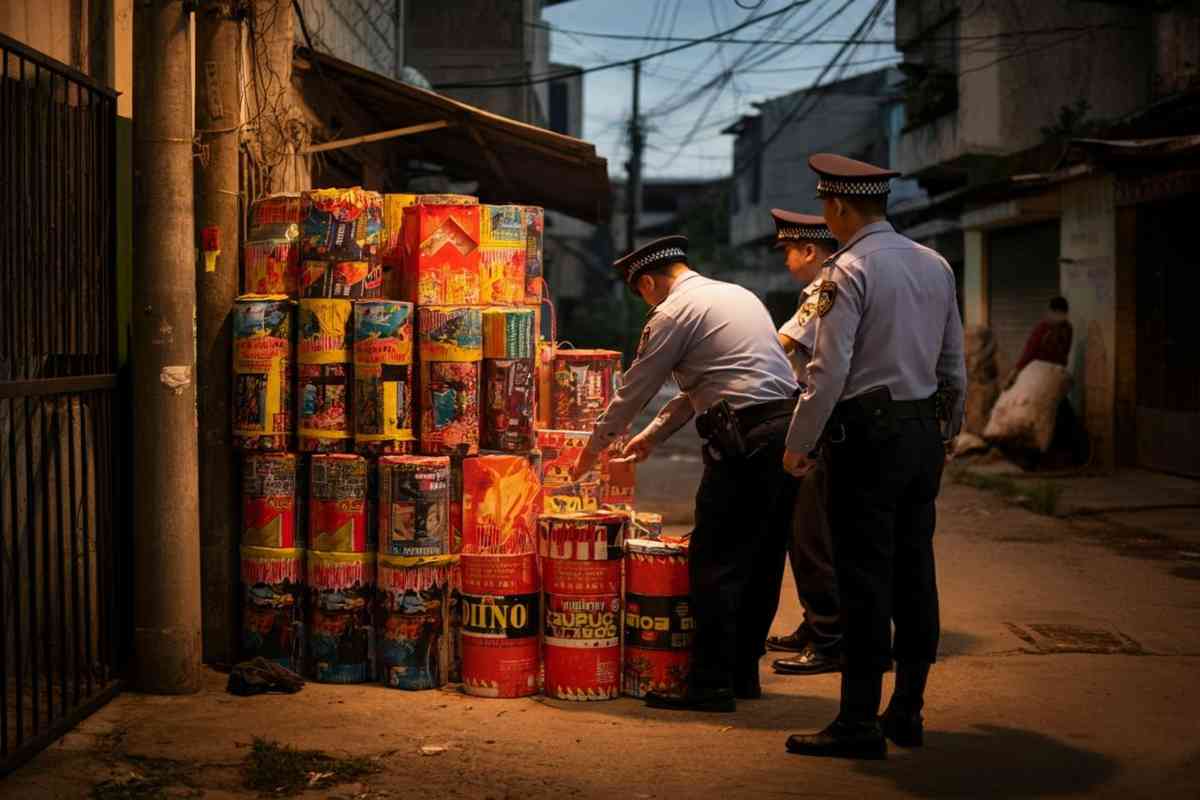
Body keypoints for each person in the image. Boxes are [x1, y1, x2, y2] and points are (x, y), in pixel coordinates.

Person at [781, 154, 966, 760]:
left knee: (863, 579)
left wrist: (798, 443)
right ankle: (907, 710)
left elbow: (826, 373)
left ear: (837, 209)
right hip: (920, 436)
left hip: (866, 438)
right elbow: (952, 365)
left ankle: (857, 723)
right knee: (916, 575)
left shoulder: (847, 271)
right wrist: (946, 430)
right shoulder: (935, 264)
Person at [569, 235, 799, 712]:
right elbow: (702, 383)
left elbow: (635, 387)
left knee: (714, 560)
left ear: (648, 282)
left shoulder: (673, 312)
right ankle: (742, 674)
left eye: (642, 294)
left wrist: (592, 450)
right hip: (785, 431)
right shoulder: (737, 295)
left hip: (745, 440)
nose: (646, 303)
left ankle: (710, 684)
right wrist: (652, 437)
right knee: (761, 557)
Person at [763, 210, 844, 676]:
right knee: (811, 533)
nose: (787, 261)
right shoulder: (825, 286)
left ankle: (829, 636)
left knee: (812, 535)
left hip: (826, 424)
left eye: (789, 251)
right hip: (831, 421)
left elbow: (784, 343)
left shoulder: (827, 290)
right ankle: (817, 625)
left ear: (810, 251)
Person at [1004, 296, 1073, 388]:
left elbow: (1065, 353)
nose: (1049, 315)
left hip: (1054, 374)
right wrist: (1016, 371)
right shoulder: (1043, 328)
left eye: (1062, 313)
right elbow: (1029, 351)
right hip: (1039, 374)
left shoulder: (1067, 329)